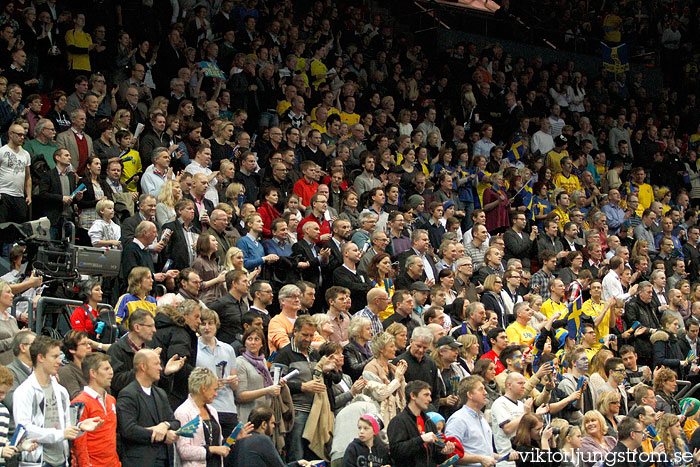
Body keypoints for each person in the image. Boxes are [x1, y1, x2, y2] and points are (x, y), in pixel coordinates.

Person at [13, 336, 103, 467]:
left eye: (59, 356)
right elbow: (24, 430)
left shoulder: (61, 391)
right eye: (54, 357)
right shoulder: (24, 391)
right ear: (40, 358)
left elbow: (66, 426)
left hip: (61, 459)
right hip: (38, 462)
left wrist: (80, 427)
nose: (59, 361)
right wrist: (60, 434)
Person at [272, 315, 339, 462]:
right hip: (297, 412)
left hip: (317, 411)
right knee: (297, 454)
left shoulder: (314, 354)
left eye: (311, 335)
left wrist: (326, 371)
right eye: (304, 335)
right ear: (294, 332)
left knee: (316, 455)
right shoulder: (284, 355)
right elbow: (274, 383)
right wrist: (302, 386)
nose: (308, 339)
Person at [117, 348, 181, 467]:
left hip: (164, 460)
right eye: (156, 364)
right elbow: (128, 430)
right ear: (143, 366)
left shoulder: (160, 393)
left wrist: (165, 425)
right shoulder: (128, 394)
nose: (160, 368)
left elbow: (175, 422)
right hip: (140, 461)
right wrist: (162, 435)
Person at [174, 367, 239, 467]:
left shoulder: (212, 411)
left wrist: (233, 438)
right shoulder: (183, 412)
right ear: (203, 388)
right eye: (214, 390)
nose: (216, 394)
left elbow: (220, 445)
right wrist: (212, 449)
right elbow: (183, 451)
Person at [386, 380, 454, 466]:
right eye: (426, 395)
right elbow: (396, 452)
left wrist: (444, 452)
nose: (430, 399)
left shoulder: (429, 422)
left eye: (429, 395)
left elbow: (436, 457)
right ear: (413, 396)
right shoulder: (398, 421)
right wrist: (421, 439)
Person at [70, 352, 120, 467]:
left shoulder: (111, 400)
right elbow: (78, 444)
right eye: (106, 369)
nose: (111, 372)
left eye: (110, 368)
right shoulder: (79, 403)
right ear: (93, 373)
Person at [196, 308, 239, 436]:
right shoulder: (195, 349)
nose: (207, 327)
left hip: (228, 408)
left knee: (231, 446)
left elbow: (235, 385)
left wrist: (232, 381)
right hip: (206, 407)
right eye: (203, 324)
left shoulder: (228, 349)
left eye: (210, 323)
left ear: (216, 325)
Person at [152, 300, 201, 409]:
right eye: (196, 317)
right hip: (174, 393)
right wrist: (199, 376)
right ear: (184, 316)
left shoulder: (158, 328)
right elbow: (179, 364)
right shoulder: (180, 333)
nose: (199, 321)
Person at [395, 327, 440, 411]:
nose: (421, 350)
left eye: (425, 347)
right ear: (411, 341)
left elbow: (436, 392)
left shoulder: (431, 363)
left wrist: (432, 411)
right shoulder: (399, 362)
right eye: (418, 346)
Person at [0, 124, 32, 225]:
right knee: (2, 226)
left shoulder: (25, 154)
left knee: (19, 227)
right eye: (19, 135)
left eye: (23, 135)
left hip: (19, 195)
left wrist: (29, 195)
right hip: (4, 193)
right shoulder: (2, 151)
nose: (22, 137)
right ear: (10, 134)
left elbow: (28, 177)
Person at [5, 331, 35, 411]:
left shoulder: (39, 371)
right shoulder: (9, 372)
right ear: (22, 347)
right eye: (35, 345)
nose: (39, 349)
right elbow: (13, 403)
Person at [56, 330, 90, 399]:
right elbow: (76, 397)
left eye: (89, 343)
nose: (89, 346)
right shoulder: (66, 371)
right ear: (72, 350)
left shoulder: (90, 368)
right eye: (84, 344)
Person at [343, 316, 374, 381]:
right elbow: (355, 370)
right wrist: (374, 358)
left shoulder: (369, 347)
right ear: (358, 332)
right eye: (368, 329)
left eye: (370, 329)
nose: (371, 332)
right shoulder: (348, 349)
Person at [0, 281, 20, 365]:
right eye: (8, 292)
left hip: (13, 370)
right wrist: (16, 338)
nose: (12, 295)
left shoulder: (12, 319)